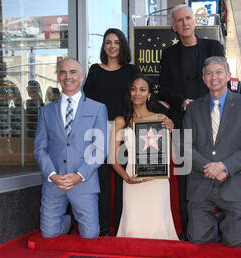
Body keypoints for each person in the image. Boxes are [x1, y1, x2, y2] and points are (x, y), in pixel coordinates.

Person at [183, 56, 241, 250]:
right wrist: (209, 167)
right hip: (201, 182)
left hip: (234, 182)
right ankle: (220, 221)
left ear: (228, 76)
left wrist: (223, 166)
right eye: (209, 73)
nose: (214, 77)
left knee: (236, 242)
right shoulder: (193, 108)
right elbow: (184, 146)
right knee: (198, 239)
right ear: (204, 78)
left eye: (219, 72)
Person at [158, 4, 225, 241]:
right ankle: (188, 229)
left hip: (212, 121)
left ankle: (222, 224)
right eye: (180, 20)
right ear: (174, 27)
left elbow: (221, 79)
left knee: (214, 171)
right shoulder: (168, 54)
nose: (185, 23)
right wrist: (182, 102)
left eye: (188, 18)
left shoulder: (213, 46)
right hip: (181, 122)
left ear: (194, 21)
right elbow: (163, 90)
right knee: (186, 177)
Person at [34, 57, 108, 239]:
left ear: (81, 76)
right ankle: (67, 221)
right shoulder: (46, 111)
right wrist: (52, 175)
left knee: (90, 235)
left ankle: (77, 219)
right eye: (63, 72)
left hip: (83, 181)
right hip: (54, 183)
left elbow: (99, 148)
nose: (68, 77)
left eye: (73, 72)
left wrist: (79, 175)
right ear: (58, 77)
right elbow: (40, 149)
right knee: (49, 234)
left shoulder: (98, 108)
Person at [83, 28, 140, 237]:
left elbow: (139, 98)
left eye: (116, 42)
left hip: (125, 131)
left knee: (122, 178)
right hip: (99, 132)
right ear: (103, 46)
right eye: (108, 42)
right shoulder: (95, 70)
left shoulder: (131, 71)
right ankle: (104, 227)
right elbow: (87, 103)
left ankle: (120, 225)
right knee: (103, 180)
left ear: (122, 45)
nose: (112, 46)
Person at [112, 75, 178, 240]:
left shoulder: (161, 119)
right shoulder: (121, 121)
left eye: (142, 89)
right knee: (133, 228)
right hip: (132, 178)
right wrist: (127, 178)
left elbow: (174, 157)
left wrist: (172, 131)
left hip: (158, 180)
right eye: (133, 89)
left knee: (157, 229)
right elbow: (112, 158)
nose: (137, 93)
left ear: (149, 94)